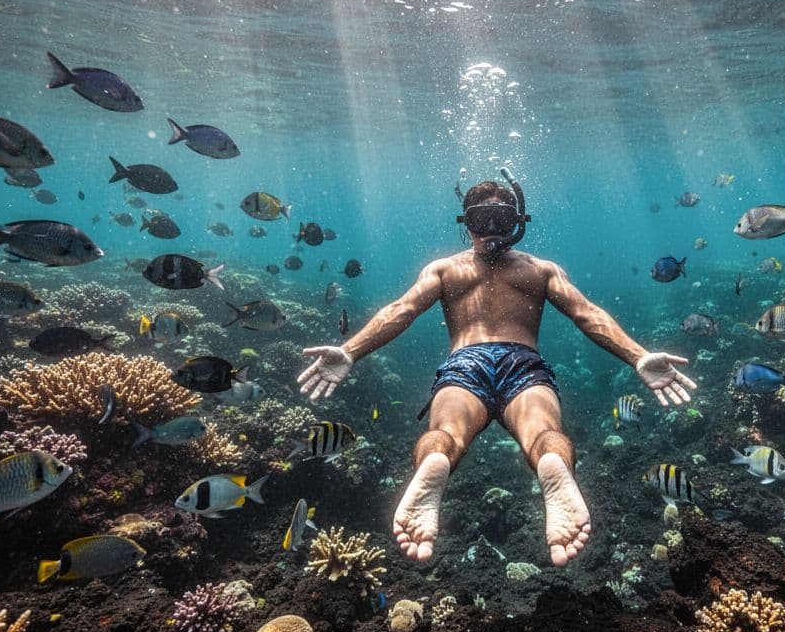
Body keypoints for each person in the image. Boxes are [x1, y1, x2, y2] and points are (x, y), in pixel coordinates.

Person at [297, 170, 696, 567]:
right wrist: (637, 355)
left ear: (516, 222)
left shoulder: (444, 269)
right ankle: (551, 468)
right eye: (480, 221)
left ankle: (436, 463)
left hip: (464, 363)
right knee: (544, 435)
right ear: (467, 223)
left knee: (444, 434)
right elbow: (587, 314)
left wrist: (351, 350)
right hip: (524, 365)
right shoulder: (540, 269)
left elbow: (401, 310)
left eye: (499, 221)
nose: (489, 230)